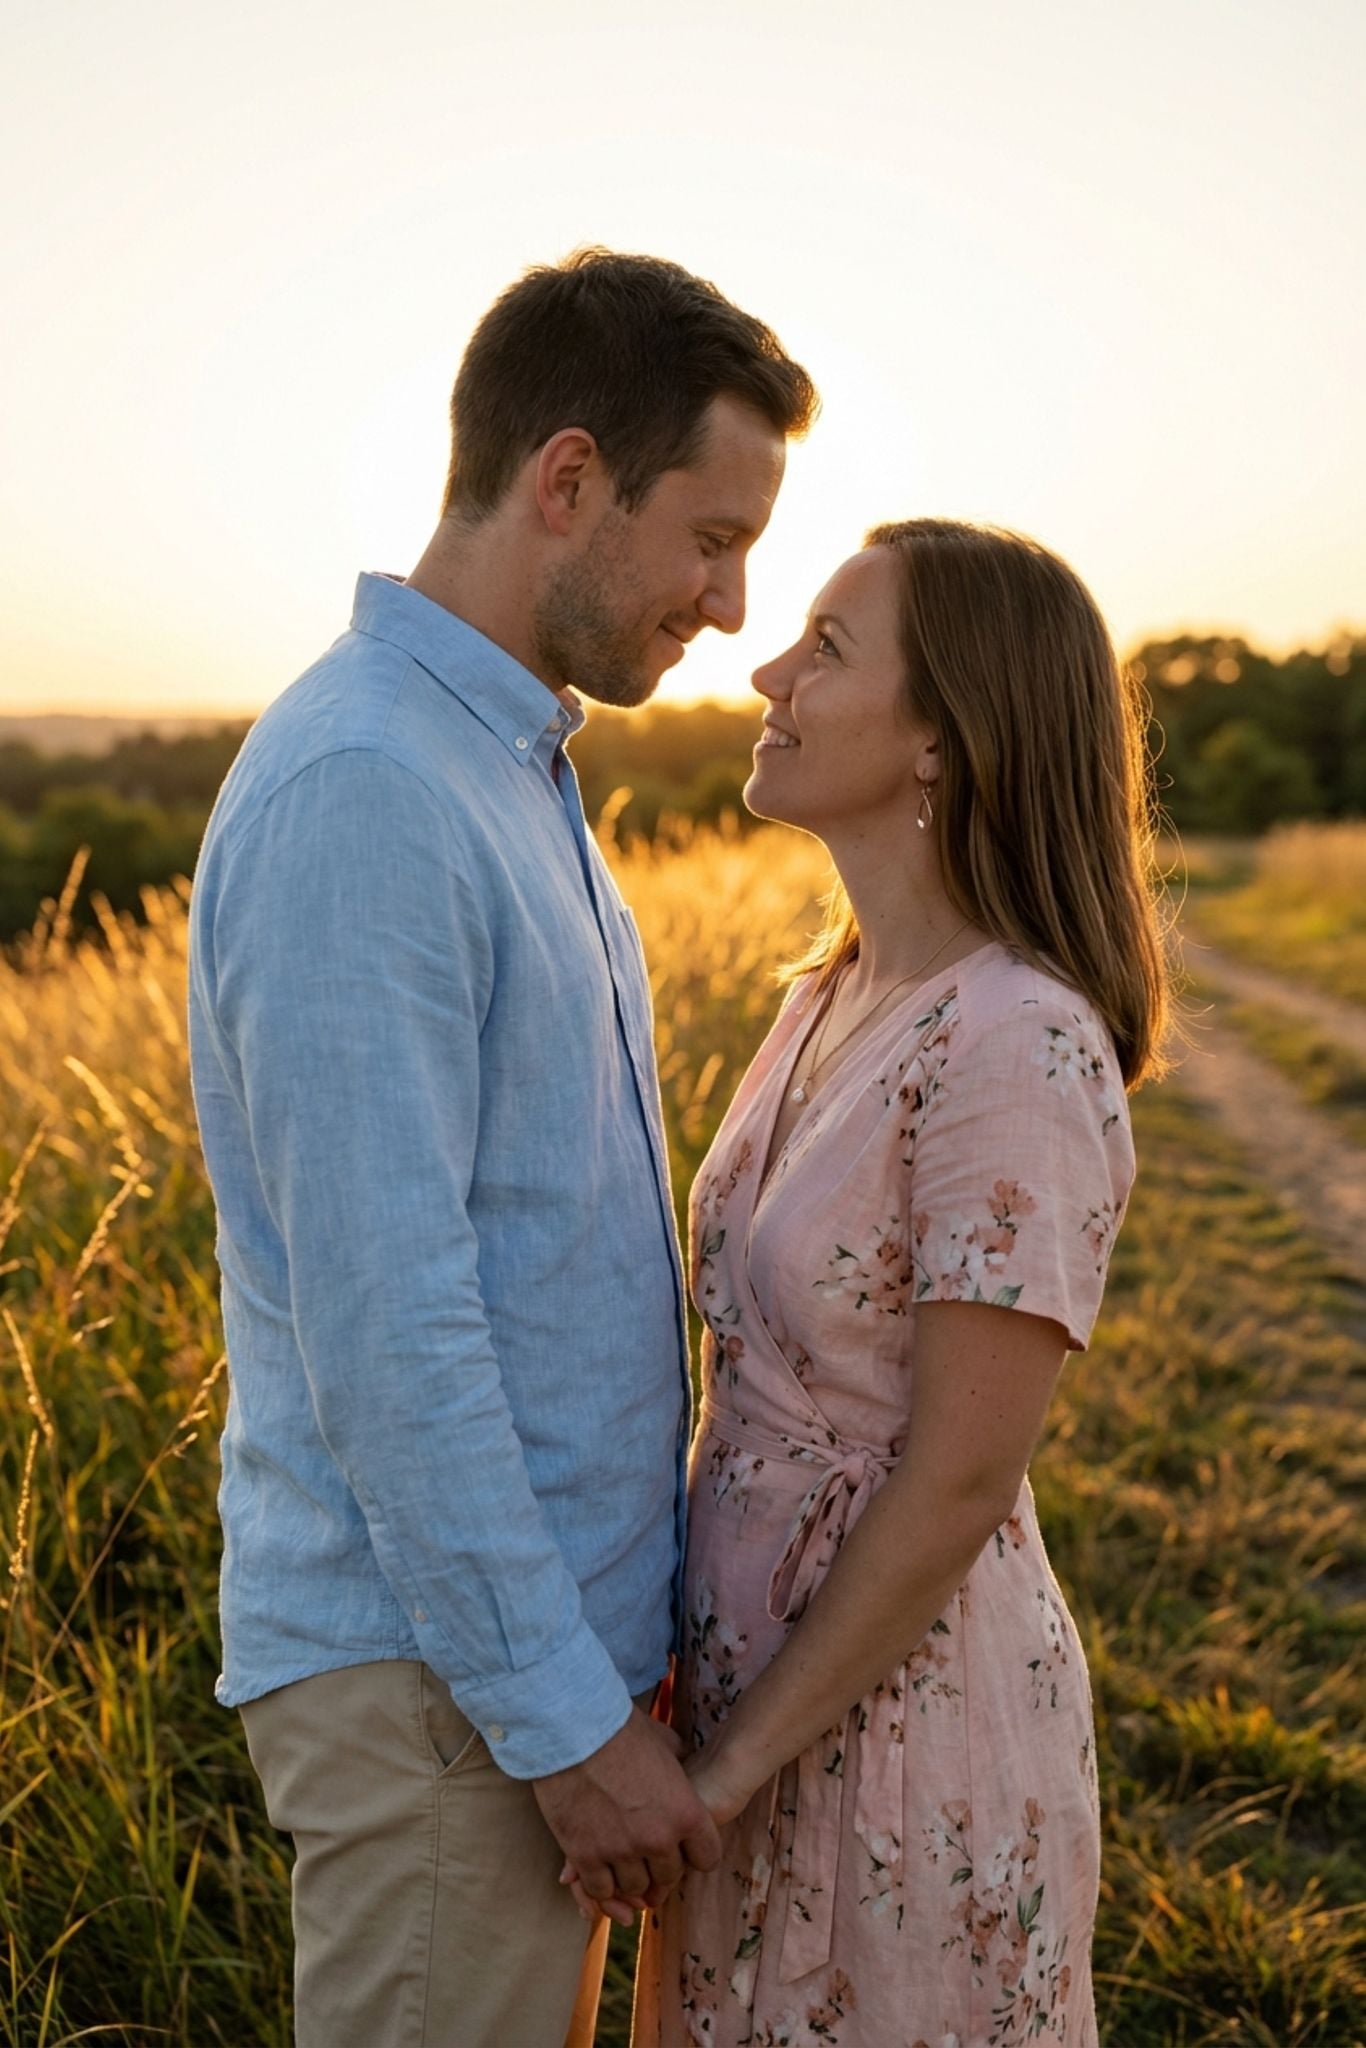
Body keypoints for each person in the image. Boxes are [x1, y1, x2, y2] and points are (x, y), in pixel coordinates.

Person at [185, 247, 817, 2048]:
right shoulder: (371, 788)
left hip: (514, 1686)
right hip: (448, 1705)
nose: (729, 598)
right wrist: (557, 1719)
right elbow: (393, 1331)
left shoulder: (501, 768)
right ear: (564, 482)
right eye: (709, 534)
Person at [618, 520, 1170, 2046]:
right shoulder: (830, 989)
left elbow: (958, 1480)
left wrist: (726, 1780)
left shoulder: (1018, 1041)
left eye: (827, 648)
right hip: (742, 1697)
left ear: (944, 734)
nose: (767, 669)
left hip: (892, 1733)